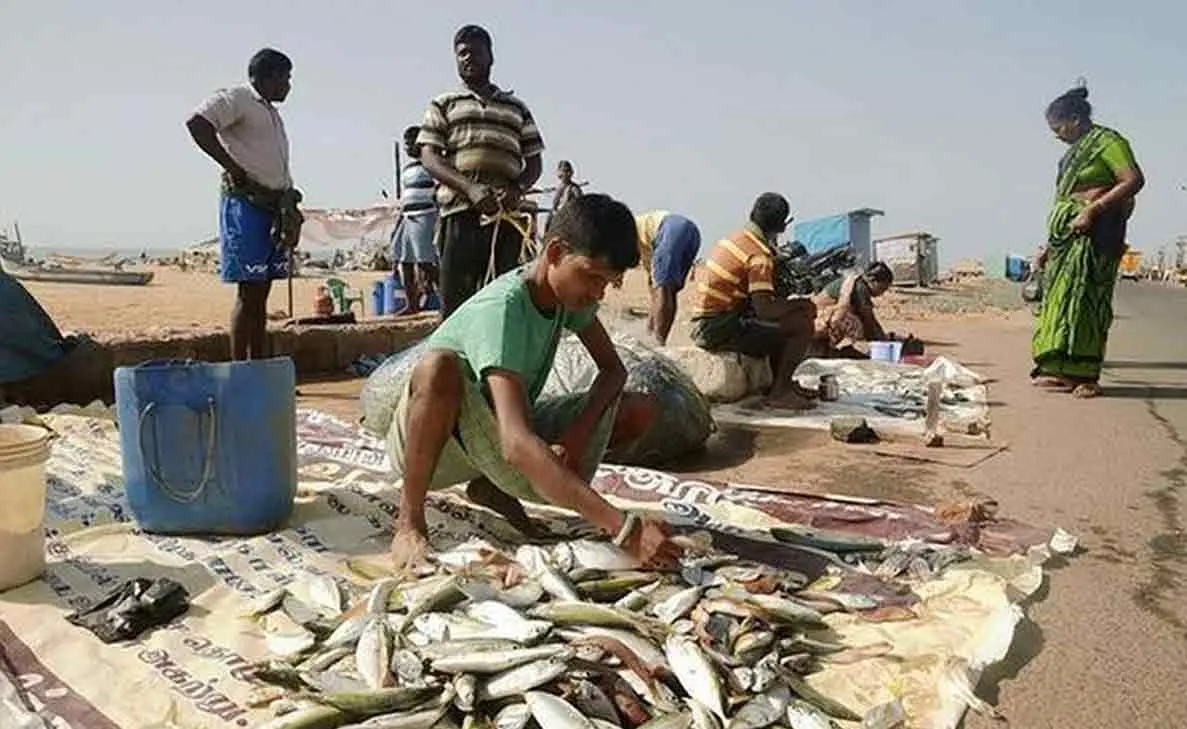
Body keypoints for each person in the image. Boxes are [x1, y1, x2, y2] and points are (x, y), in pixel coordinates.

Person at [386, 194, 682, 572]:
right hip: (436, 446)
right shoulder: (503, 309)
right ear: (555, 252)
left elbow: (614, 371)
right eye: (592, 277)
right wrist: (624, 529)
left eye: (607, 284)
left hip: (492, 435)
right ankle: (409, 520)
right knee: (439, 367)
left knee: (637, 409)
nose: (597, 293)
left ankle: (491, 486)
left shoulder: (564, 298)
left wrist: (575, 436)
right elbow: (515, 444)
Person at [417, 24, 545, 317]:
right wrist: (470, 189)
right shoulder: (444, 104)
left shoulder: (516, 108)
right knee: (455, 305)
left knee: (502, 302)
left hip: (505, 218)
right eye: (462, 53)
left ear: (491, 57)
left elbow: (534, 162)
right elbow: (429, 157)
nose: (468, 58)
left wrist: (516, 189)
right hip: (459, 214)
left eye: (475, 52)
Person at [186, 48, 302, 360]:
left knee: (261, 291)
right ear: (268, 77)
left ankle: (258, 363)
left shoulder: (270, 112)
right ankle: (240, 367)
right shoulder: (238, 99)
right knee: (248, 291)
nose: (288, 85)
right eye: (285, 78)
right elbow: (197, 123)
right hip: (247, 206)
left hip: (273, 206)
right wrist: (232, 167)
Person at [1032, 84, 1144, 398]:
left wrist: (1093, 210)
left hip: (1097, 234)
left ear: (1076, 119)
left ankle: (1086, 374)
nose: (1056, 135)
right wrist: (1047, 246)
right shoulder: (1070, 156)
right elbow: (1062, 198)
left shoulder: (1109, 142)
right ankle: (1059, 369)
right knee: (1059, 301)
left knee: (1087, 303)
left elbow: (1133, 180)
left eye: (1058, 128)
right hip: (1067, 236)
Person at [689, 193, 817, 409]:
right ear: (782, 226)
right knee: (801, 324)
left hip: (707, 321)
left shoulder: (736, 238)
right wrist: (801, 304)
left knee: (783, 323)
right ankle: (780, 392)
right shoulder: (758, 255)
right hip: (717, 327)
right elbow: (765, 310)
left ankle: (782, 384)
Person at [391, 125, 440, 313]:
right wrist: (399, 222)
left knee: (425, 262)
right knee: (404, 261)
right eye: (406, 145)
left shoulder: (433, 164)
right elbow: (406, 198)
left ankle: (447, 301)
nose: (407, 148)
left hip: (425, 216)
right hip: (407, 217)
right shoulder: (408, 169)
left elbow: (439, 191)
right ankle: (412, 304)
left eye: (410, 144)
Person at [634, 210, 702, 345]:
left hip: (669, 229)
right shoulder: (644, 245)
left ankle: (657, 342)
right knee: (669, 291)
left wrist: (617, 276)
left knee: (662, 289)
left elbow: (656, 286)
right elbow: (653, 283)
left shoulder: (627, 234)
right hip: (692, 232)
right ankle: (653, 337)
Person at [811, 262, 894, 353]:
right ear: (873, 280)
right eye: (882, 288)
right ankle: (821, 348)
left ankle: (824, 347)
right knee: (853, 323)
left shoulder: (858, 283)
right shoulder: (860, 288)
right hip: (817, 323)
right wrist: (882, 341)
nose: (881, 293)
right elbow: (868, 320)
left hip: (819, 322)